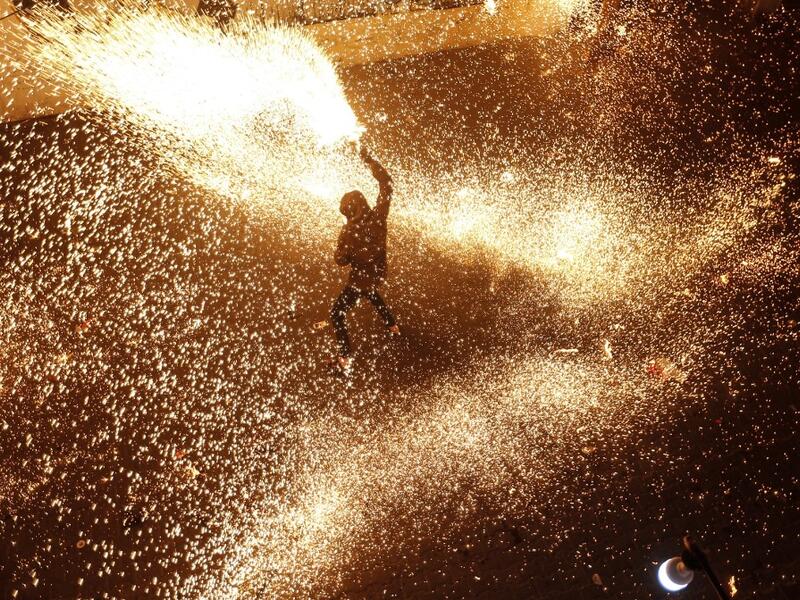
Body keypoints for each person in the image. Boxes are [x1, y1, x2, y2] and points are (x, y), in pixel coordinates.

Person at [330, 143, 400, 371]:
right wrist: (369, 159)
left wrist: (344, 245)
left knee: (336, 313)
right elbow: (387, 184)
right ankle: (392, 325)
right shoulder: (379, 216)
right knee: (370, 291)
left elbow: (341, 260)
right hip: (378, 274)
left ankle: (345, 358)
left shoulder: (349, 231)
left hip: (360, 279)